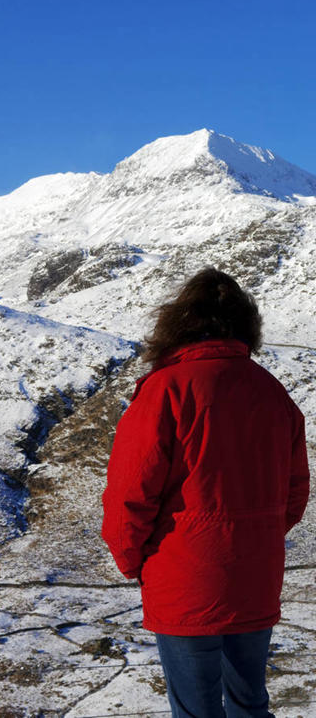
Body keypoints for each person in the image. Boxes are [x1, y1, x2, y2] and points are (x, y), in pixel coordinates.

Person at [101, 268, 310, 718]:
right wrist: (257, 536)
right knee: (250, 704)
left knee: (196, 711)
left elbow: (129, 493)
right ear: (246, 327)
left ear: (177, 325)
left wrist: (133, 558)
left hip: (184, 578)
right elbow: (294, 494)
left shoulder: (165, 391)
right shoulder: (273, 392)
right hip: (255, 575)